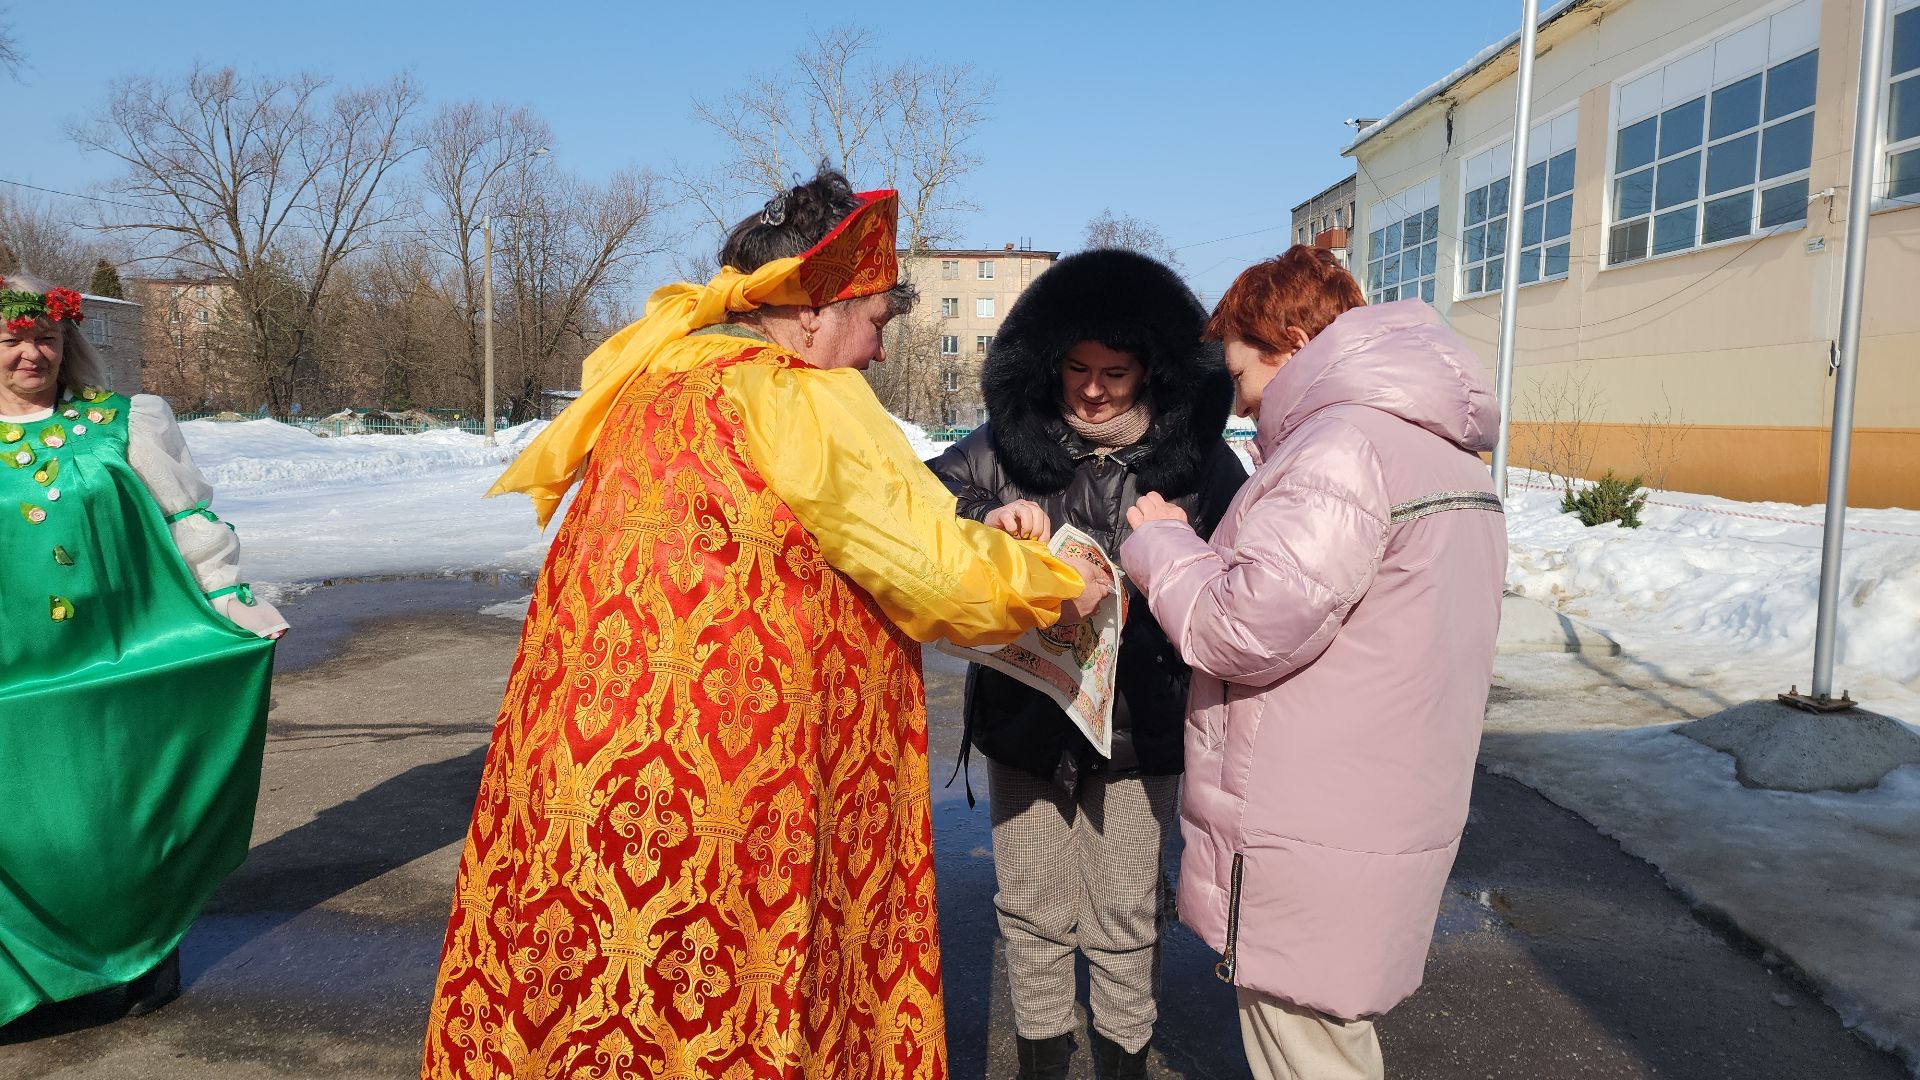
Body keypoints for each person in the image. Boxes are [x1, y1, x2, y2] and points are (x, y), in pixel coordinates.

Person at [421, 168, 1107, 1080]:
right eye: (876, 321)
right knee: (736, 1006)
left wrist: (980, 525)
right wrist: (1059, 581)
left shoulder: (655, 376)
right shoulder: (796, 395)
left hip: (576, 773)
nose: (875, 352)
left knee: (592, 1007)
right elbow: (935, 578)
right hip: (731, 791)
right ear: (814, 312)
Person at [1119, 246, 1506, 1080]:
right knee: (1331, 1040)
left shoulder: (1339, 449)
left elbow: (1242, 628)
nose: (1245, 403)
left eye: (1245, 375)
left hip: (1310, 821)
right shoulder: (1436, 452)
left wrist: (1161, 545)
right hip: (1382, 806)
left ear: (1292, 340)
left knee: (1307, 1051)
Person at [927, 249, 1244, 1079]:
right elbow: (919, 506)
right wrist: (988, 517)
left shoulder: (1203, 464)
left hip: (1142, 719)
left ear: (1153, 371)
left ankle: (1122, 1059)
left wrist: (1180, 544)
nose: (1094, 389)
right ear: (1048, 363)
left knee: (1126, 910)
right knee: (1030, 905)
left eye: (1116, 371)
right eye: (1077, 369)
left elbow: (1248, 575)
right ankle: (1041, 1060)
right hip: (1028, 714)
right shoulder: (1001, 447)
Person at [0, 272, 288, 1028]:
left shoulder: (124, 421)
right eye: (12, 340)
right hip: (12, 671)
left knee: (117, 825)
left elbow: (185, 517)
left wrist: (232, 602)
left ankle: (146, 944)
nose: (33, 353)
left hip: (124, 656)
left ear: (69, 341)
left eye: (46, 337)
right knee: (22, 827)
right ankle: (28, 977)